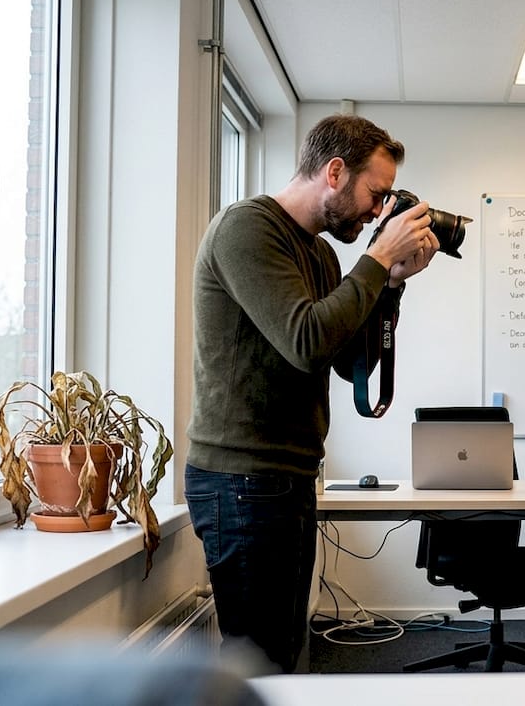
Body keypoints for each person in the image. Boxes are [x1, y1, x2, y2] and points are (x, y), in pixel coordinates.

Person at [184, 114, 440, 674]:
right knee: (258, 663)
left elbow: (351, 365)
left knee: (284, 651)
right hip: (241, 478)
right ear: (334, 172)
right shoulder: (247, 229)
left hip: (289, 475)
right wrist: (374, 263)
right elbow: (306, 339)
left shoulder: (321, 256)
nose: (379, 211)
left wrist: (390, 286)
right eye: (375, 194)